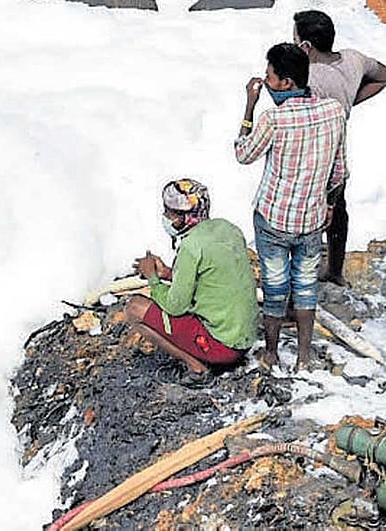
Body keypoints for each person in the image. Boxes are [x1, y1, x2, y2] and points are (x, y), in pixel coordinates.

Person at [235, 43, 346, 371]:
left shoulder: (274, 119)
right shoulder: (333, 111)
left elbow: (243, 154)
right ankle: (303, 356)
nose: (266, 81)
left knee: (275, 283)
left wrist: (249, 107)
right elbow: (339, 170)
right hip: (312, 217)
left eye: (270, 77)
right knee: (306, 283)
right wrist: (330, 205)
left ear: (285, 83)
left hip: (273, 217)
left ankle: (270, 354)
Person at [125, 178, 258, 381]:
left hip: (222, 346)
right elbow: (212, 280)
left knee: (134, 308)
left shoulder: (191, 246)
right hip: (245, 339)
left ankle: (197, 368)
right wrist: (169, 274)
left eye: (169, 212)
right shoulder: (228, 228)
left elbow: (175, 306)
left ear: (185, 217)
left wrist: (153, 278)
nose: (165, 216)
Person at [293, 10, 386, 285]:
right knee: (338, 209)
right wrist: (346, 103)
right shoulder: (354, 58)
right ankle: (334, 271)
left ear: (305, 47)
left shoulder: (307, 77)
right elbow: (382, 77)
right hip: (338, 154)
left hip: (311, 154)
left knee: (304, 216)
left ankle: (301, 280)